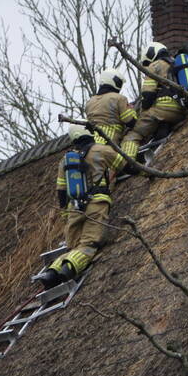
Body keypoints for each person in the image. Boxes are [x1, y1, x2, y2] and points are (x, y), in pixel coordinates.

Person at [40, 69, 136, 289]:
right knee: (89, 245)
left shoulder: (66, 161)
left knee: (72, 247)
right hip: (97, 203)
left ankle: (51, 271)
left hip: (74, 209)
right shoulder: (100, 150)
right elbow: (123, 164)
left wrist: (66, 215)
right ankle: (60, 274)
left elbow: (61, 192)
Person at [114, 41, 187, 173]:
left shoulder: (155, 65)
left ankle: (127, 163)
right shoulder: (176, 63)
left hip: (163, 108)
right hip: (180, 110)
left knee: (134, 134)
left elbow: (147, 95)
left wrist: (142, 110)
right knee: (159, 122)